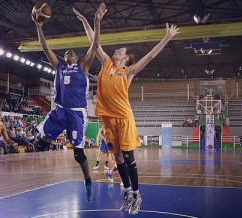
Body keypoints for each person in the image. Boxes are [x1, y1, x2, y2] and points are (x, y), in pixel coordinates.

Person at [73, 7, 180, 215]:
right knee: (118, 158)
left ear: (126, 58)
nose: (115, 51)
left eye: (120, 51)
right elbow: (93, 41)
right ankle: (128, 192)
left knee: (129, 156)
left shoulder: (128, 72)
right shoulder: (106, 63)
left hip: (124, 119)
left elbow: (149, 57)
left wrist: (166, 38)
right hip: (108, 120)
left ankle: (137, 194)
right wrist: (88, 21)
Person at [33, 3, 107, 202]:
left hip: (76, 113)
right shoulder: (58, 67)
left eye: (71, 52)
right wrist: (39, 26)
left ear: (77, 57)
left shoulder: (82, 67)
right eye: (66, 52)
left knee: (78, 154)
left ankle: (88, 181)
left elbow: (95, 45)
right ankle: (45, 144)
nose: (68, 53)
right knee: (39, 144)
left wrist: (95, 22)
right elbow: (44, 47)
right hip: (59, 110)